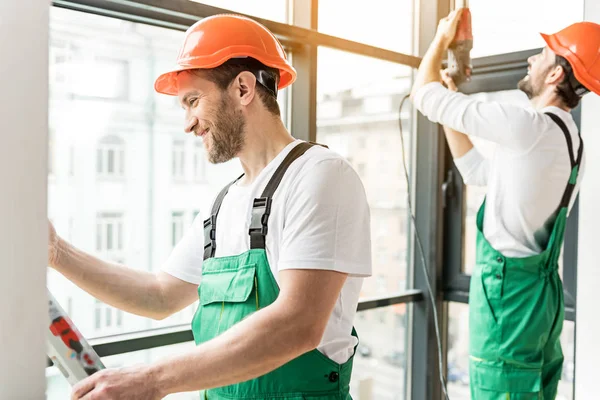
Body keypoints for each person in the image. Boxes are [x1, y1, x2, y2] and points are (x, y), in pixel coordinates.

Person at [48, 14, 372, 400]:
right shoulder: (224, 205)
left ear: (243, 88)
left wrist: (151, 381)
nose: (188, 124)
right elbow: (159, 295)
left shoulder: (320, 175)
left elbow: (297, 323)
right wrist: (56, 252)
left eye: (193, 101)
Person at [410, 10, 600, 399]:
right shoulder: (570, 141)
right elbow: (476, 171)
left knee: (499, 389)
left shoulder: (528, 127)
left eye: (542, 54)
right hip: (540, 299)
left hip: (508, 301)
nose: (531, 59)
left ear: (555, 75)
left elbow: (423, 96)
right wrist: (455, 104)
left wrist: (440, 40)